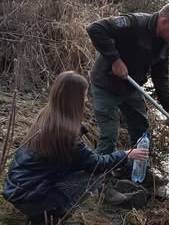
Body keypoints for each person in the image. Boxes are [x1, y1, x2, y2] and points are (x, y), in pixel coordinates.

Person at [2, 71, 149, 225]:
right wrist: (126, 154)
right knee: (95, 177)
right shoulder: (67, 135)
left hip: (17, 188)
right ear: (74, 100)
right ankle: (52, 215)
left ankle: (43, 212)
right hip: (31, 195)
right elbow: (97, 164)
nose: (86, 100)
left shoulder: (47, 116)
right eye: (84, 96)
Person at [86, 2, 169, 154]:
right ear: (164, 21)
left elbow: (160, 76)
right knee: (109, 137)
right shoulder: (134, 23)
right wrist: (115, 60)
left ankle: (135, 170)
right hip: (105, 85)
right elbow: (95, 28)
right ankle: (100, 173)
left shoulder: (165, 41)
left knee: (142, 132)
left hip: (131, 88)